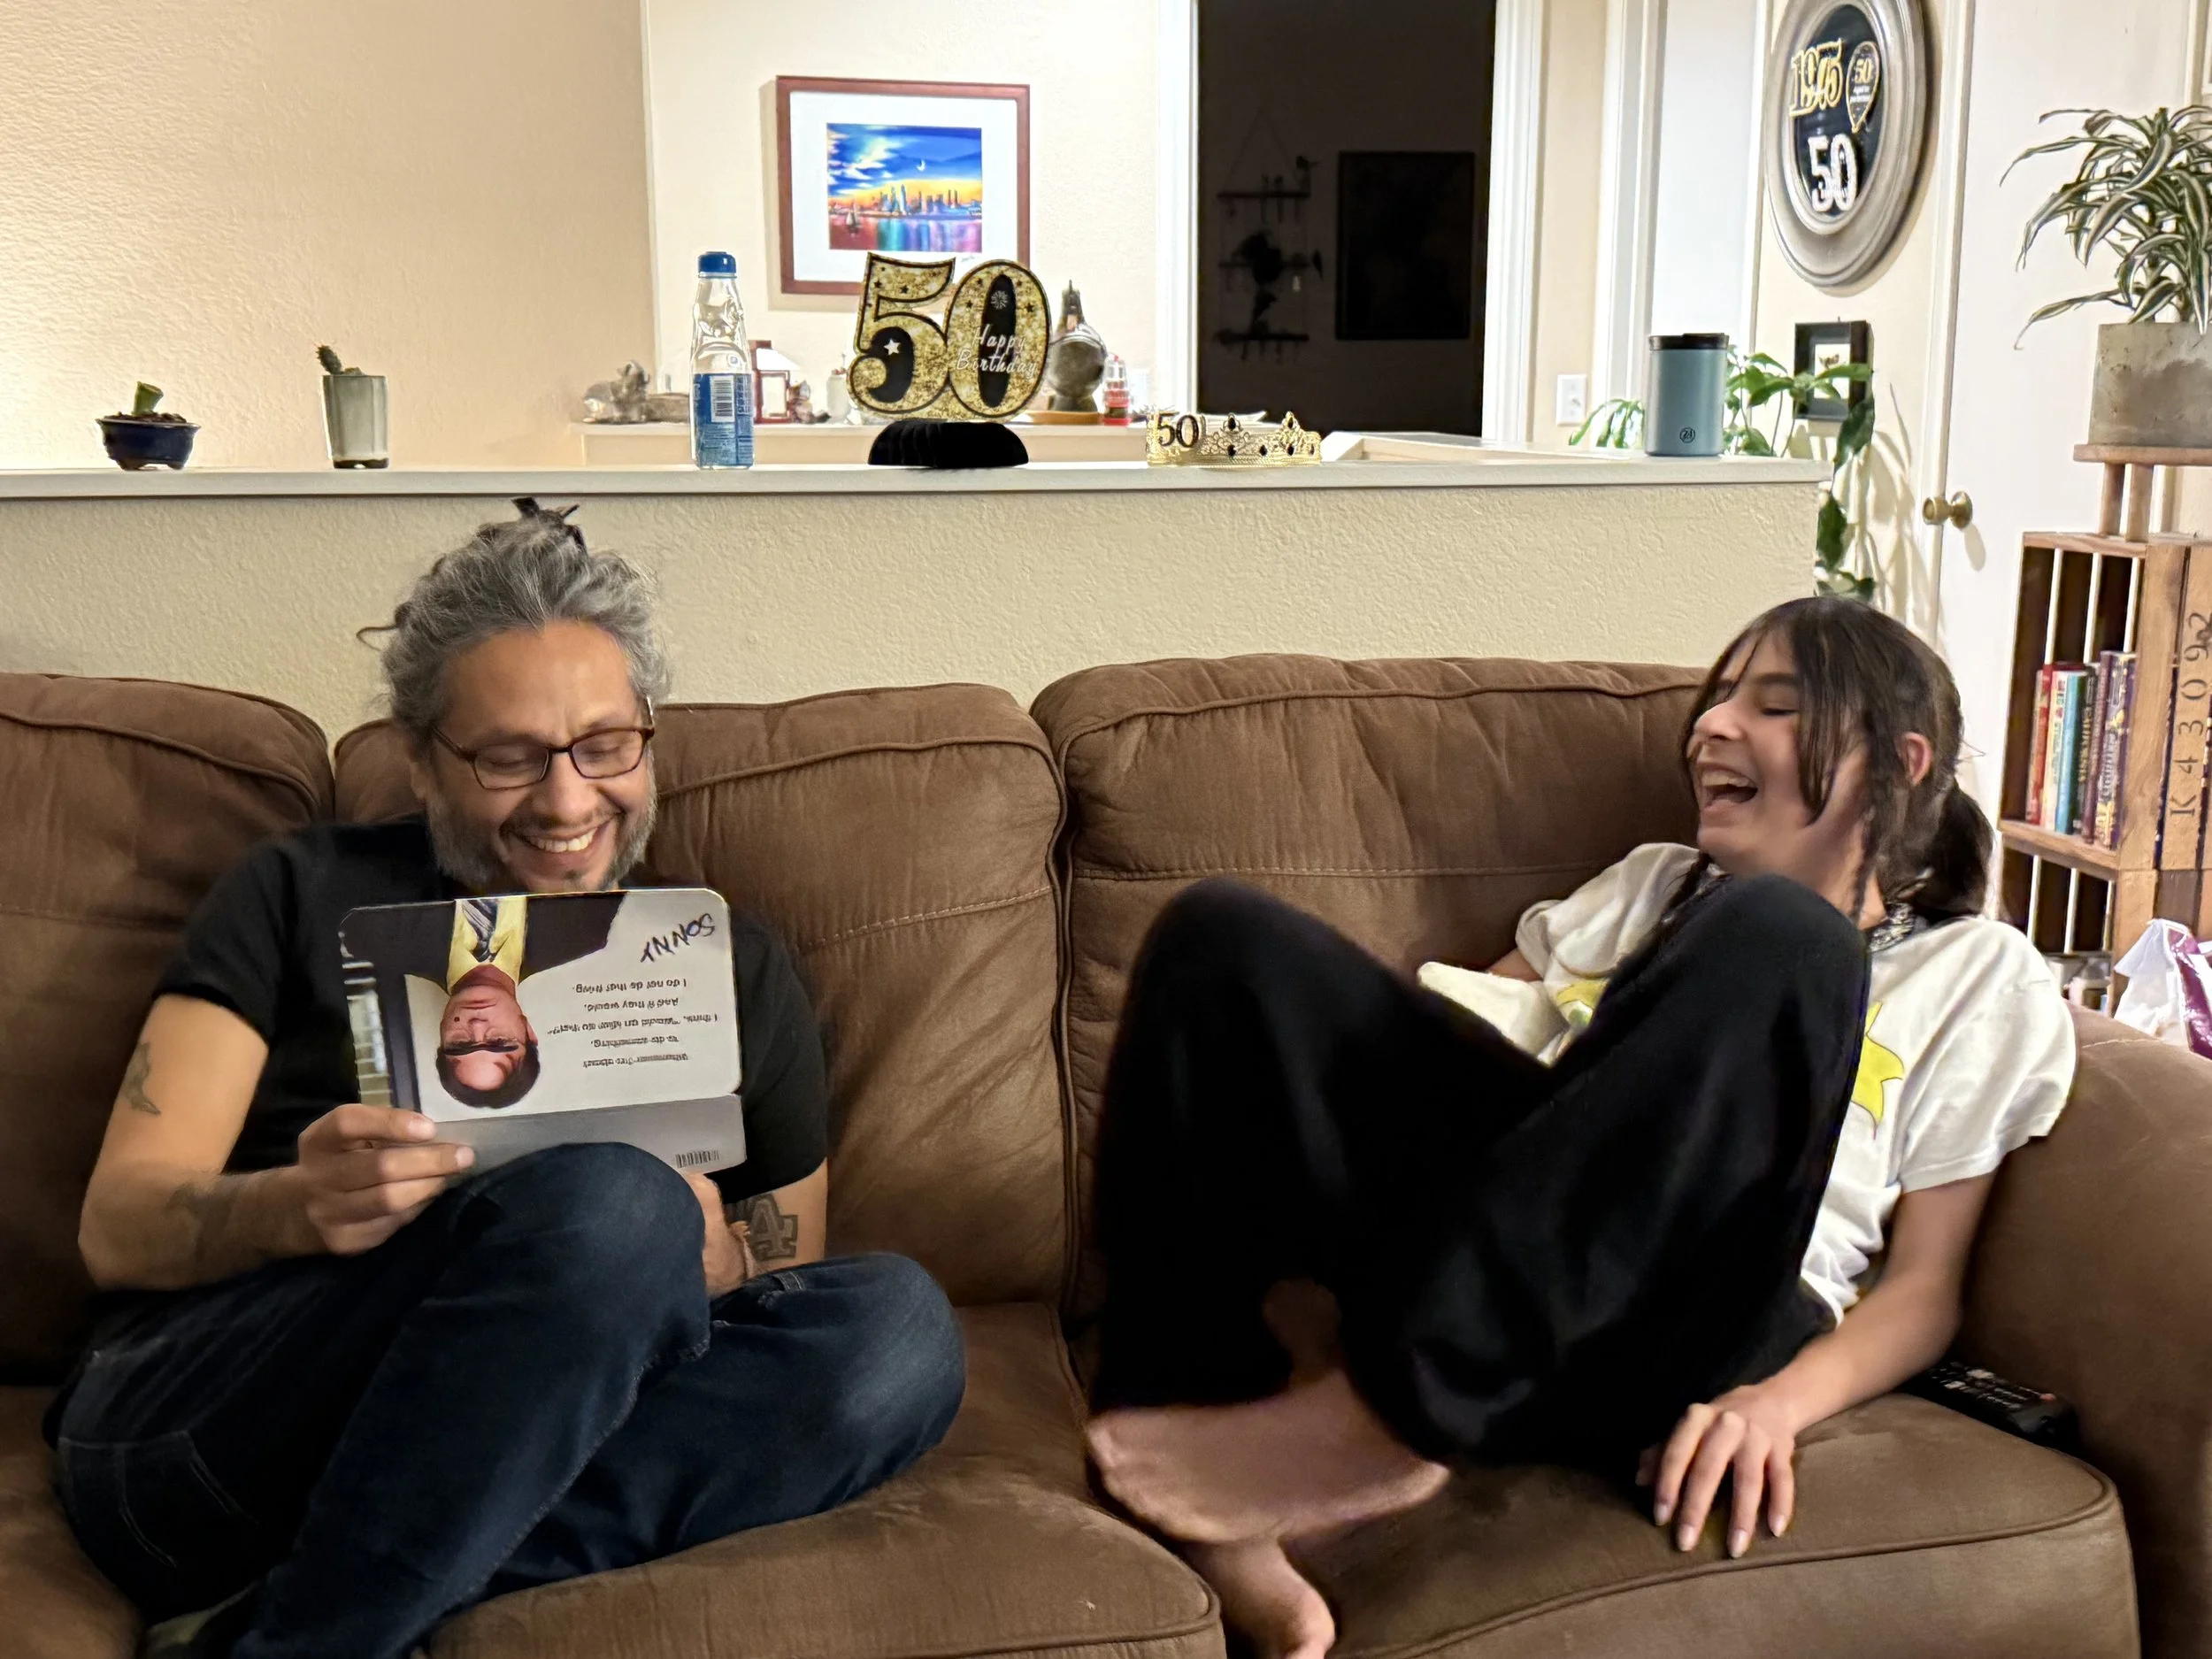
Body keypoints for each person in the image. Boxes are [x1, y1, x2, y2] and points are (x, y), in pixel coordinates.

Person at [48, 501, 966, 1659]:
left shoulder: (722, 958)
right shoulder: (291, 891)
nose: (569, 800)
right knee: (614, 1202)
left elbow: (786, 1271)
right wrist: (288, 1204)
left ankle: (298, 1613)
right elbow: (116, 1226)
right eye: (507, 755)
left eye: (603, 744)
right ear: (422, 756)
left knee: (901, 1332)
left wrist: (719, 1254)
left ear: (648, 737)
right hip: (213, 1416)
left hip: (523, 1427)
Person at [1082, 596, 2073, 1659]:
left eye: (1774, 707)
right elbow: (1456, 1050)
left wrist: (1777, 1407)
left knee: (1788, 932)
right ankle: (1199, 1473)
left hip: (1697, 1317)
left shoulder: (1975, 972)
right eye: (1717, 700)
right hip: (1517, 1263)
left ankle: (1403, 1407)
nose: (1711, 728)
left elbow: (1924, 1289)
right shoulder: (1648, 885)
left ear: (1900, 762)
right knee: (1219, 933)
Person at [342, 891, 629, 1107]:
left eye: (461, 1044)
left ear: (443, 1038)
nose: (477, 1025)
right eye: (499, 1042)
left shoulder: (373, 935)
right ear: (528, 1032)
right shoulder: (585, 929)